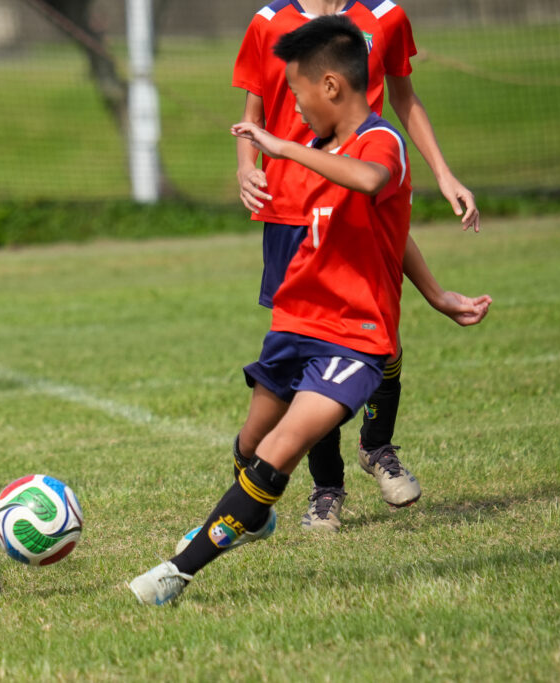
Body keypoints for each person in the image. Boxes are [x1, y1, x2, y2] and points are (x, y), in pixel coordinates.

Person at [129, 14, 491, 605]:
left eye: (297, 93)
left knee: (280, 451)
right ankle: (252, 515)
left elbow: (372, 185)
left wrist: (285, 149)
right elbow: (368, 222)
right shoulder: (314, 154)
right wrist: (259, 167)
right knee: (251, 447)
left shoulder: (380, 142)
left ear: (332, 86)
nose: (292, 107)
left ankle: (176, 572)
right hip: (295, 327)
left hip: (355, 340)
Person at [232, 0, 480, 530]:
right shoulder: (268, 22)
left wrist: (444, 174)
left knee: (380, 336)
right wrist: (246, 168)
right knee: (312, 354)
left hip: (358, 195)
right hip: (291, 212)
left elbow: (405, 100)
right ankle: (327, 488)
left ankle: (377, 445)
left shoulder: (386, 17)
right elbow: (253, 113)